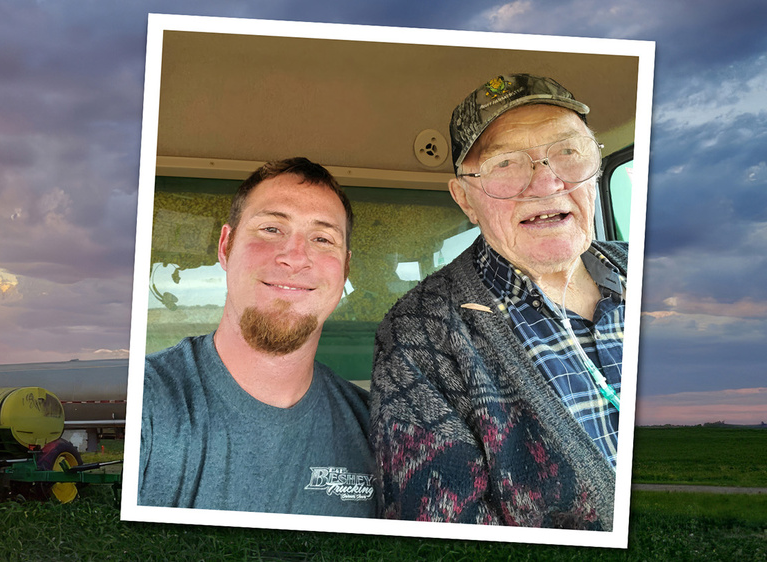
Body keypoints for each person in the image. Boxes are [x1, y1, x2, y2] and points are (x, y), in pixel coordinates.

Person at [370, 74, 626, 530]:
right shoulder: (419, 330)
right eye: (506, 164)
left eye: (568, 151)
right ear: (466, 199)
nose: (547, 183)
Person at [138, 157, 377, 517]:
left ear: (345, 270)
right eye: (271, 229)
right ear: (225, 246)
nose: (295, 258)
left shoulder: (380, 432)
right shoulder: (147, 403)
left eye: (322, 238)